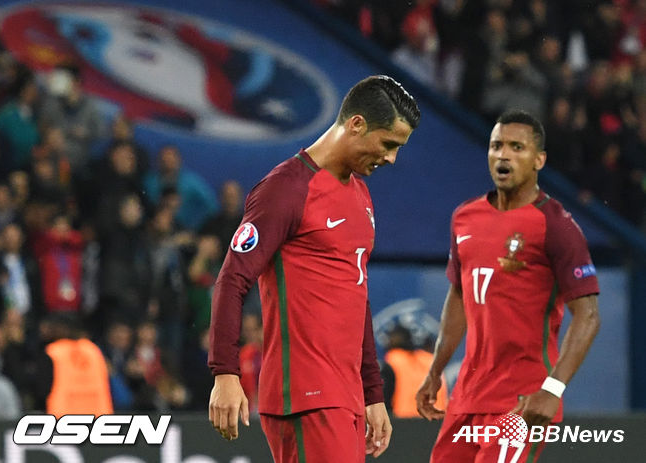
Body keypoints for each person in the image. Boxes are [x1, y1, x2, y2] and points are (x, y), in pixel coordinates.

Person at [208, 75, 420, 462]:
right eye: (388, 144)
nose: (391, 158)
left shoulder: (360, 194)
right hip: (306, 396)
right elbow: (232, 279)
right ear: (356, 124)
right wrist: (225, 372)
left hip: (346, 397)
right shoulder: (286, 189)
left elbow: (357, 296)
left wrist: (372, 393)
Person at [416, 110, 601, 463]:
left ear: (539, 160)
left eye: (517, 147)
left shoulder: (556, 225)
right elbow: (459, 295)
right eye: (497, 145)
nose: (504, 155)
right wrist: (436, 370)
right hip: (468, 397)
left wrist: (552, 389)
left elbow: (588, 315)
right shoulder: (465, 217)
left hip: (522, 400)